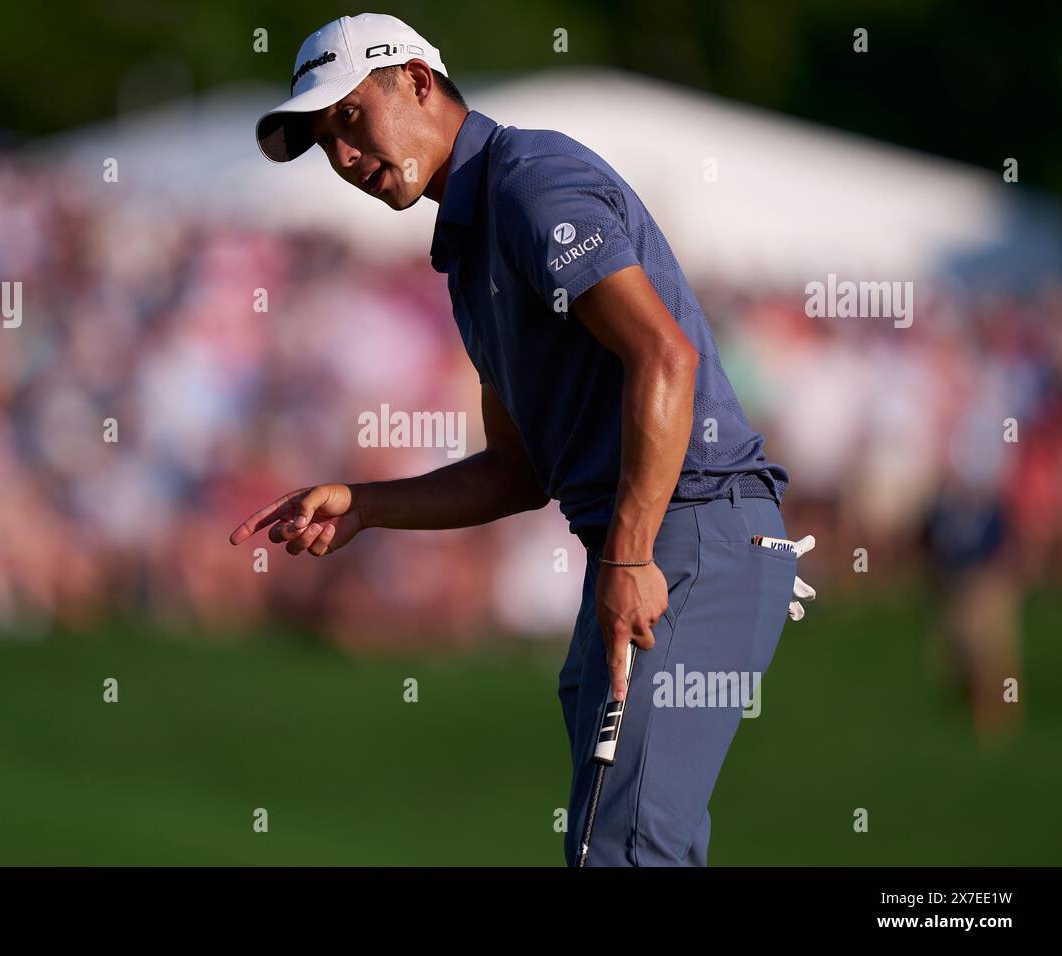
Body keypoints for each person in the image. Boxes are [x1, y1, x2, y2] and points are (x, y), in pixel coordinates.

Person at [231, 12, 803, 866]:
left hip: (690, 529)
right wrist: (367, 504)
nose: (343, 157)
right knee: (620, 844)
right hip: (655, 537)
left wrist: (627, 558)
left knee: (624, 849)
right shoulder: (468, 243)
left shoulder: (528, 182)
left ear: (419, 82)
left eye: (349, 118)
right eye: (322, 143)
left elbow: (664, 357)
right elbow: (518, 471)